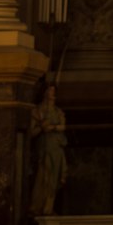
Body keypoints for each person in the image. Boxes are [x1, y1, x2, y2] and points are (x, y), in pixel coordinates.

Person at [29, 81, 67, 217]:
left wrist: (52, 127)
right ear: (45, 92)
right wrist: (41, 128)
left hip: (56, 147)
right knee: (42, 177)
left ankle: (48, 208)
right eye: (50, 90)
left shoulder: (58, 111)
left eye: (54, 90)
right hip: (43, 148)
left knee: (53, 179)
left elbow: (63, 127)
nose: (53, 93)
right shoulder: (37, 111)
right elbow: (31, 133)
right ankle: (37, 207)